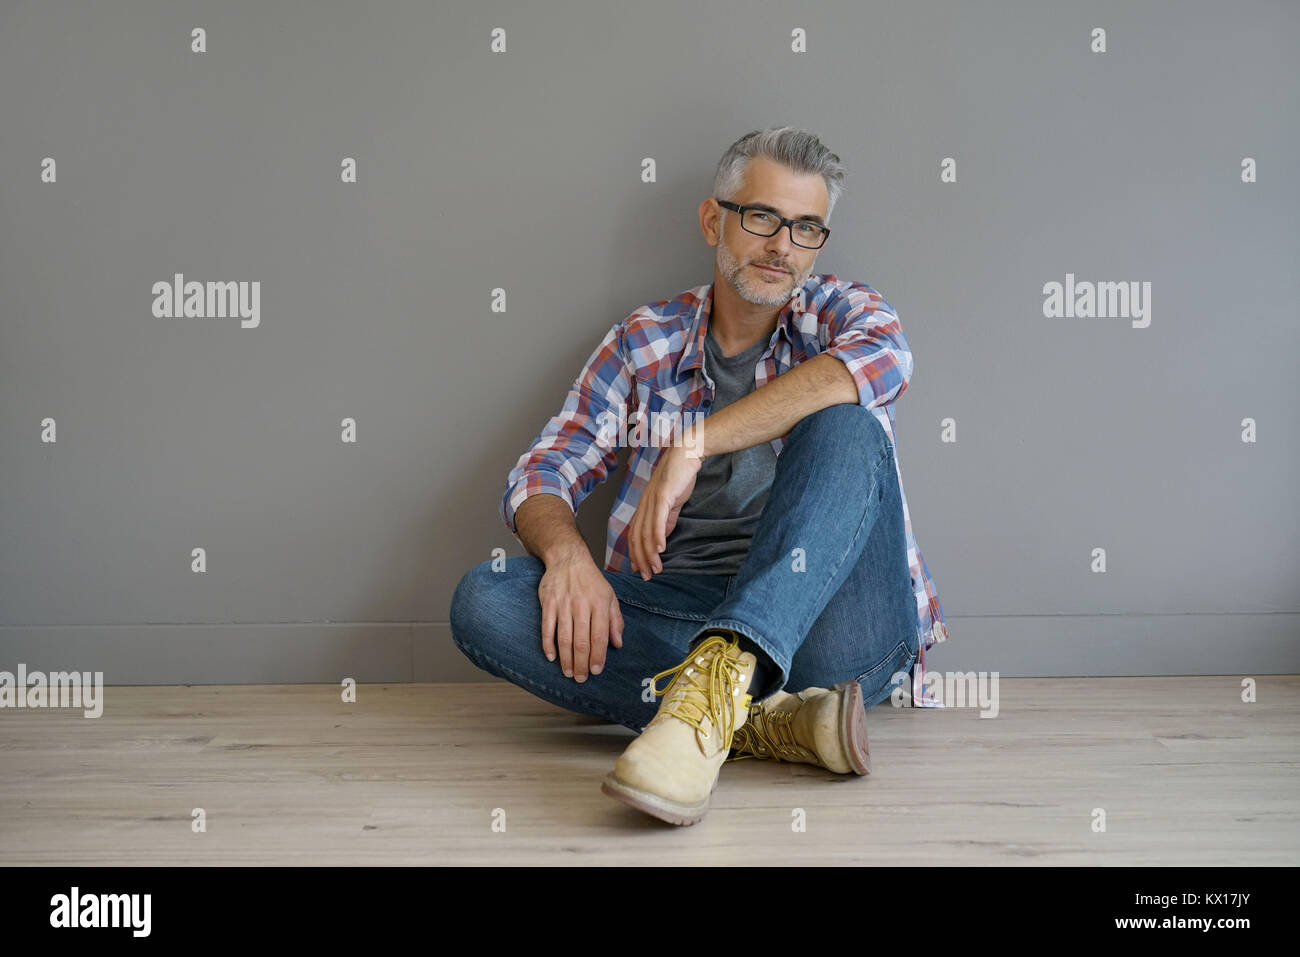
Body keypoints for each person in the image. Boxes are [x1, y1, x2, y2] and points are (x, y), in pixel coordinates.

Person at [450, 126, 949, 826]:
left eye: (807, 228)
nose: (784, 246)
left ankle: (718, 688)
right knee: (486, 598)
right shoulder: (643, 339)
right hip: (686, 608)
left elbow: (885, 361)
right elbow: (544, 468)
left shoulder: (837, 315)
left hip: (834, 627)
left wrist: (694, 443)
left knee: (848, 421)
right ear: (714, 219)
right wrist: (567, 556)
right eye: (763, 217)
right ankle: (776, 723)